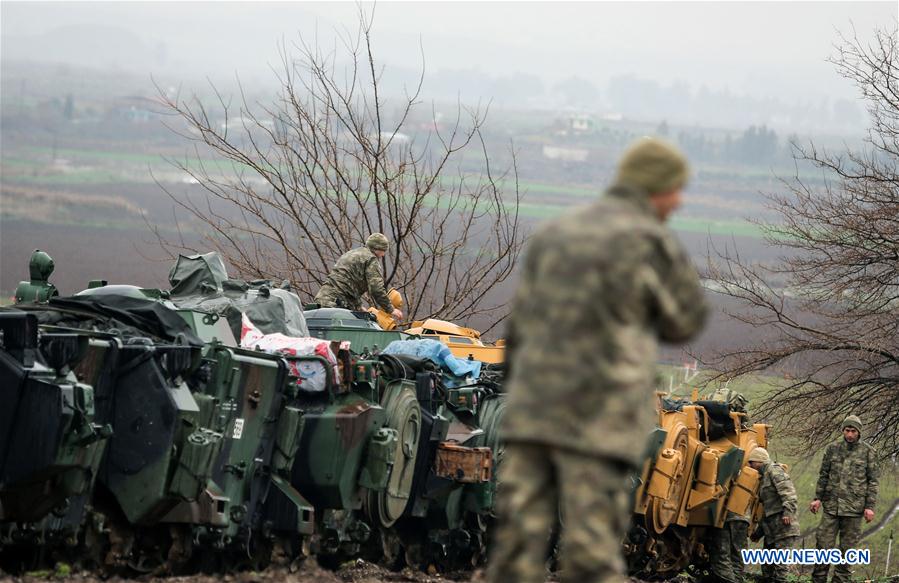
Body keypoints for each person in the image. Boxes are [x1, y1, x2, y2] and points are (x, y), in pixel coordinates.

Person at [487, 138, 708, 583]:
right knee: (590, 539)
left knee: (519, 534)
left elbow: (521, 325)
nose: (679, 201)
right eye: (675, 191)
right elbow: (685, 320)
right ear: (655, 188)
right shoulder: (652, 243)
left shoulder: (557, 232)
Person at [809, 415, 879, 583]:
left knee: (847, 552)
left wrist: (870, 507)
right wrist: (817, 498)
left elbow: (873, 481)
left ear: (858, 432)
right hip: (831, 508)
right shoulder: (832, 449)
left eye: (853, 431)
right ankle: (818, 580)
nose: (849, 434)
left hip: (854, 510)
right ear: (842, 431)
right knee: (823, 547)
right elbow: (824, 475)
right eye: (847, 430)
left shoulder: (869, 452)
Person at [313, 233, 403, 321]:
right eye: (383, 251)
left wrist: (359, 308)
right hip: (336, 306)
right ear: (377, 248)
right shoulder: (371, 259)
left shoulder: (351, 254)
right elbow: (376, 289)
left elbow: (346, 284)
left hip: (321, 301)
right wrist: (391, 309)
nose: (383, 255)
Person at [747, 447, 800, 583]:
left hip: (784, 527)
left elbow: (789, 493)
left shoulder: (774, 470)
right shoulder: (764, 476)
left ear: (758, 461)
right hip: (772, 529)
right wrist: (757, 533)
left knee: (780, 565)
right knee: (767, 565)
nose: (750, 466)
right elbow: (768, 510)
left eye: (751, 462)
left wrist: (788, 512)